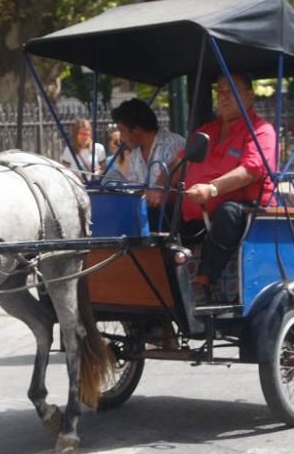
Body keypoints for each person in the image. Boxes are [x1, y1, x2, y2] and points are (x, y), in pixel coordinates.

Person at [157, 72, 277, 303]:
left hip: (245, 212)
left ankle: (204, 282)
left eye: (230, 90)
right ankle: (161, 282)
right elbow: (181, 162)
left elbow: (250, 171)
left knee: (228, 212)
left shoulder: (261, 131)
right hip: (198, 211)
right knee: (158, 213)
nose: (223, 97)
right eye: (219, 91)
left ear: (250, 96)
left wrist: (211, 189)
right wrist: (158, 188)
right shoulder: (208, 131)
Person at [110, 99, 185, 188]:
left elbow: (181, 190)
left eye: (122, 131)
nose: (121, 138)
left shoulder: (173, 145)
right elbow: (135, 186)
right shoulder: (136, 151)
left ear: (136, 129)